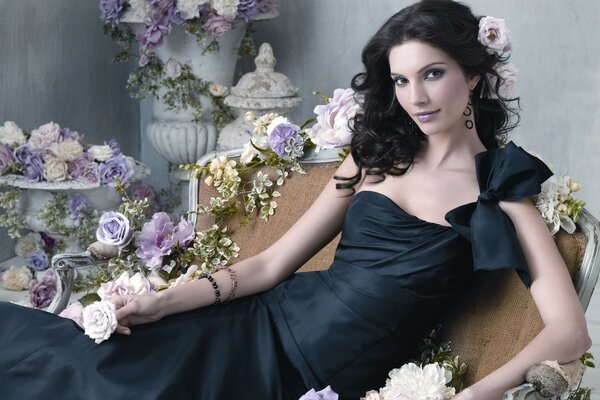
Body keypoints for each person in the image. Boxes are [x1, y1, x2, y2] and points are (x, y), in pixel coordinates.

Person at [0, 1, 591, 399]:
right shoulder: (372, 157)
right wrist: (166, 302)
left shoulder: (504, 191)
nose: (417, 97)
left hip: (309, 377)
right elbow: (270, 264)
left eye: (434, 74)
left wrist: (469, 398)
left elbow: (568, 333)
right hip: (250, 326)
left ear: (476, 75)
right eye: (403, 80)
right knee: (76, 362)